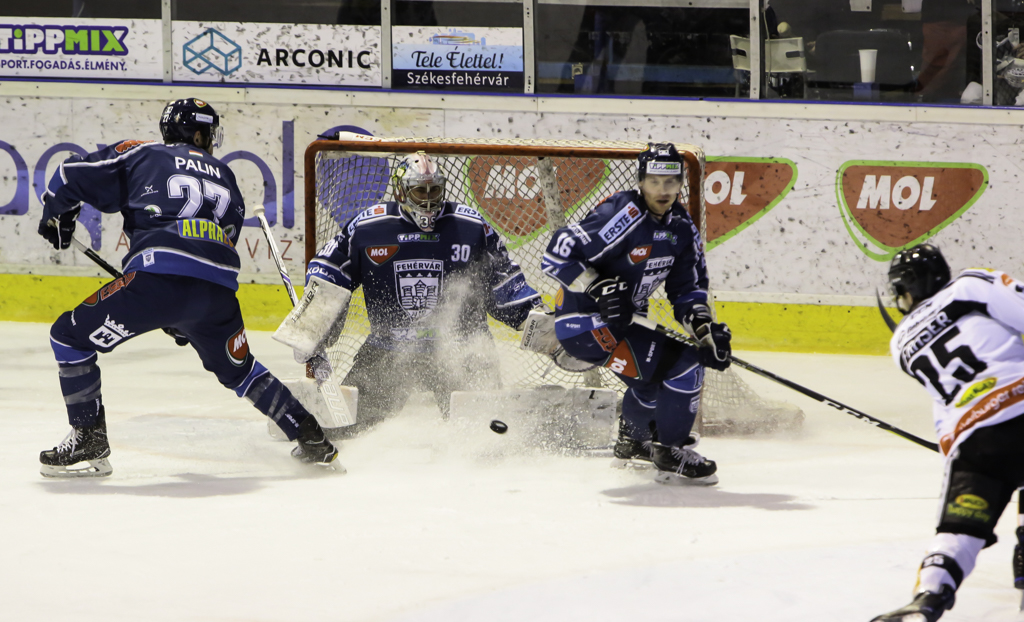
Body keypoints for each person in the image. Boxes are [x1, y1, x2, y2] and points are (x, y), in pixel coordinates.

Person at [36, 98, 339, 478]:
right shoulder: (226, 175)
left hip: (156, 279)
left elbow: (69, 173)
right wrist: (184, 316)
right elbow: (222, 240)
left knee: (68, 337)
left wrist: (57, 216)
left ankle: (89, 438)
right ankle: (310, 436)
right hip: (216, 293)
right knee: (241, 371)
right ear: (199, 133)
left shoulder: (143, 153)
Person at [274, 152, 543, 436]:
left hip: (461, 349)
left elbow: (502, 278)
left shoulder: (471, 225)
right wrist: (313, 323)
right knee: (348, 430)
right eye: (419, 190)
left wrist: (531, 319)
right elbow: (329, 269)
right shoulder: (368, 227)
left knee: (487, 435)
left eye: (435, 190)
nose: (428, 199)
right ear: (401, 191)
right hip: (388, 349)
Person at [540, 142, 732, 486]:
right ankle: (669, 452)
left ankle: (632, 442)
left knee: (653, 384)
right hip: (583, 322)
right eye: (655, 181)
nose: (663, 190)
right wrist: (598, 287)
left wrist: (704, 330)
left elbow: (687, 289)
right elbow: (556, 255)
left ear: (680, 185)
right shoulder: (624, 214)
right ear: (641, 181)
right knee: (685, 367)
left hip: (621, 325)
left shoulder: (682, 227)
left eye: (671, 182)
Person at [864, 243, 1024, 622]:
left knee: (960, 529)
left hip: (972, 436)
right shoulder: (972, 283)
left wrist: (961, 456)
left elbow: (944, 410)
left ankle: (931, 593)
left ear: (906, 290)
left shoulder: (900, 343)